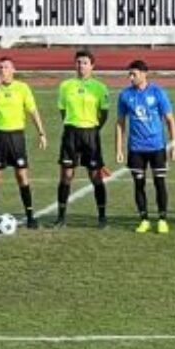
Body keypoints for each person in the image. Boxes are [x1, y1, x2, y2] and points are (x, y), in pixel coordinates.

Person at [0, 57, 47, 229]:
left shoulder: (22, 88)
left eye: (6, 67)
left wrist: (41, 133)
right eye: (0, 67)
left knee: (21, 176)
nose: (2, 70)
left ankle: (30, 216)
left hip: (16, 137)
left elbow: (33, 111)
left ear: (13, 70)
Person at [116, 59, 175, 234]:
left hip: (157, 147)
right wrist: (119, 149)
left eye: (133, 74)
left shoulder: (158, 92)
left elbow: (170, 120)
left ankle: (162, 219)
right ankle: (144, 219)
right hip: (136, 148)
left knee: (159, 183)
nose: (130, 77)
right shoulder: (125, 95)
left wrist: (173, 147)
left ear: (144, 74)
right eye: (129, 73)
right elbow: (120, 123)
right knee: (138, 184)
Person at [53, 50, 110, 228]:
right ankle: (61, 217)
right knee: (66, 175)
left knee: (95, 176)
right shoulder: (65, 86)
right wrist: (73, 124)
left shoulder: (100, 88)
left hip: (91, 134)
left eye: (85, 63)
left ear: (92, 66)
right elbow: (62, 110)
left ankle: (102, 217)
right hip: (71, 134)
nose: (81, 66)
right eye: (78, 62)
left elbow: (105, 113)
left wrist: (93, 128)